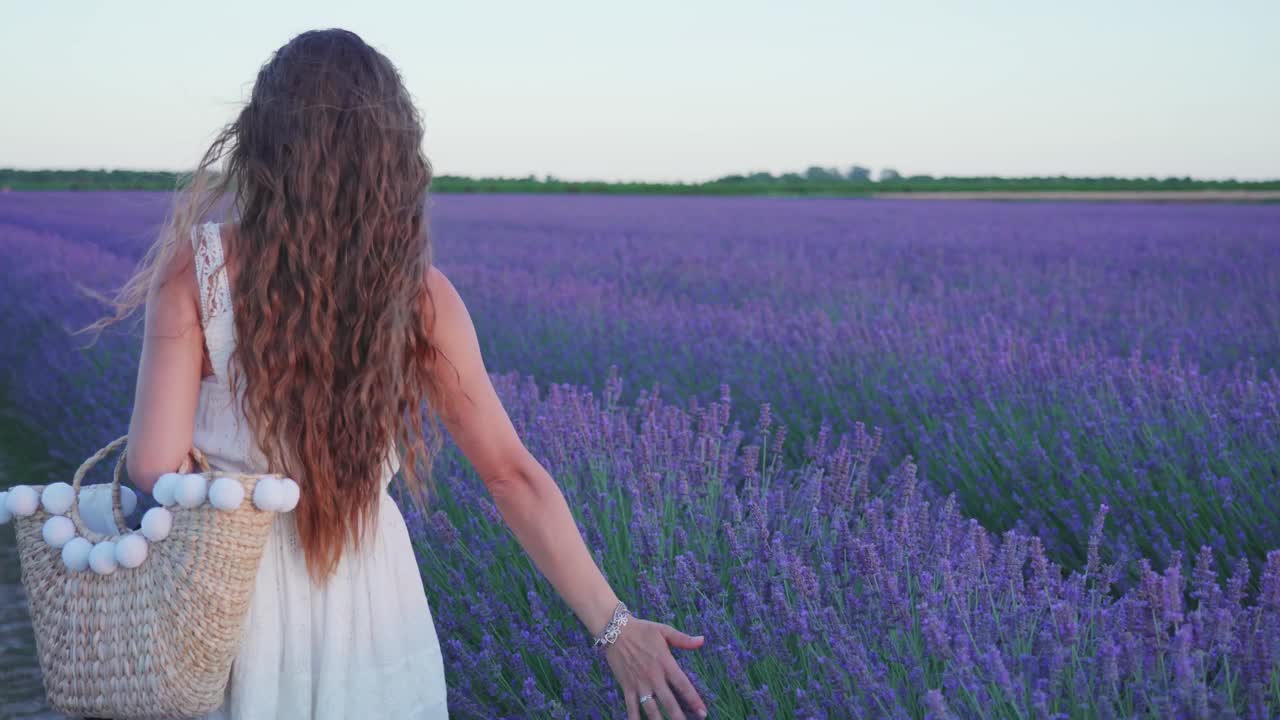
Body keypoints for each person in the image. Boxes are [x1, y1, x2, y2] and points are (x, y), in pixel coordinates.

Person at [95, 27, 708, 720]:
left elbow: (151, 466)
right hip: (370, 607)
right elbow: (512, 476)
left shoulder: (198, 272)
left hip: (227, 598)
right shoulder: (420, 297)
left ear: (263, 143)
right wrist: (615, 628)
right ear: (392, 158)